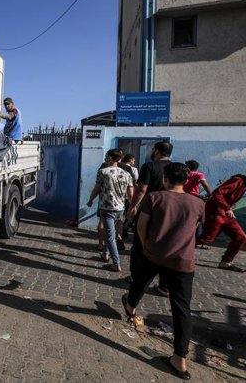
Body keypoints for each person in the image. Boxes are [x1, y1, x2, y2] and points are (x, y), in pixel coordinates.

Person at [122, 163, 205, 380]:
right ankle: (180, 358)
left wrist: (146, 245)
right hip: (183, 261)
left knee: (139, 282)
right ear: (186, 181)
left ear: (166, 178)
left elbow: (141, 226)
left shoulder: (154, 198)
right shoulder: (198, 203)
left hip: (154, 253)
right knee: (181, 307)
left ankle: (130, 308)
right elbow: (199, 229)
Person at [126, 141, 173, 295]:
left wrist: (133, 206)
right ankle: (165, 285)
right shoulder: (175, 168)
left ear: (157, 151)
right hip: (168, 213)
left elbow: (142, 189)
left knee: (140, 245)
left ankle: (136, 278)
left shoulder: (149, 166)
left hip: (149, 211)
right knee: (165, 247)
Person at [87, 148, 134, 272]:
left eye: (107, 156)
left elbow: (97, 189)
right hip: (120, 208)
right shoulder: (127, 174)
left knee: (110, 236)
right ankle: (105, 254)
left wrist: (90, 200)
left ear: (109, 158)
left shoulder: (103, 172)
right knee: (111, 232)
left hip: (107, 208)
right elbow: (130, 194)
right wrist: (132, 207)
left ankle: (116, 263)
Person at [196, 166, 246, 272]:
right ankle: (175, 248)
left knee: (240, 237)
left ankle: (226, 262)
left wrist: (229, 208)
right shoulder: (238, 180)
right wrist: (227, 208)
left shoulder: (245, 185)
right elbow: (218, 192)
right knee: (207, 239)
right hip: (216, 212)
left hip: (226, 214)